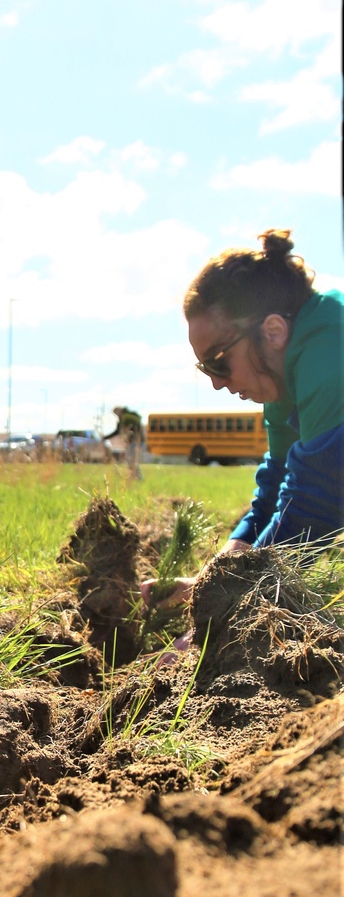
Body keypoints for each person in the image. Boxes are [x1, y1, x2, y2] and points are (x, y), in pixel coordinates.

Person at [144, 227, 343, 614]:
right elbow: (275, 492)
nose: (216, 383)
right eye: (204, 368)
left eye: (218, 361)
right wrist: (212, 580)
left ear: (272, 331)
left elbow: (314, 506)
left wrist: (218, 617)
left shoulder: (330, 352)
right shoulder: (284, 375)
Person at [105, 405, 143, 479]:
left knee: (131, 459)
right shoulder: (130, 416)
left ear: (119, 411)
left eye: (116, 413)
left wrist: (105, 437)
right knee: (131, 459)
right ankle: (134, 476)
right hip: (135, 440)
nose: (116, 415)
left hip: (134, 440)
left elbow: (117, 431)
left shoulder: (125, 418)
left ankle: (136, 476)